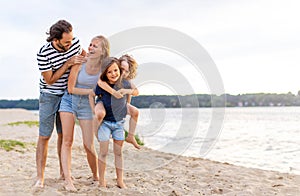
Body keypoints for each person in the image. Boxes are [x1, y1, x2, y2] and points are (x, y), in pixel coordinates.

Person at [35, 19, 85, 188]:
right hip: (49, 95)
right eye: (66, 42)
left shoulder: (75, 43)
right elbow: (49, 80)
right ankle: (39, 178)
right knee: (44, 136)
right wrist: (67, 64)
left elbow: (83, 55)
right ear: (56, 41)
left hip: (67, 95)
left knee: (63, 136)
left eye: (72, 39)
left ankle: (64, 174)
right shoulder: (43, 53)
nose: (71, 44)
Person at [59, 35, 110, 191]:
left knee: (88, 145)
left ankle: (95, 175)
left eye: (95, 46)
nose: (91, 48)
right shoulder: (81, 61)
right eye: (90, 44)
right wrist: (90, 91)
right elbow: (70, 88)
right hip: (69, 101)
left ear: (103, 51)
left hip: (87, 106)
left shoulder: (104, 68)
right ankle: (68, 180)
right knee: (67, 141)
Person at [89, 57, 136, 188]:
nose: (113, 74)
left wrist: (127, 97)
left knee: (118, 153)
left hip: (119, 125)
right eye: (109, 72)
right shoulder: (101, 86)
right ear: (105, 73)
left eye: (115, 70)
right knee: (103, 153)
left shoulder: (125, 83)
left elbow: (135, 91)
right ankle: (102, 181)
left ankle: (120, 180)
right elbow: (90, 95)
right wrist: (93, 109)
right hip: (105, 124)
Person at [93, 55, 140, 149]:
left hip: (118, 105)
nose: (124, 73)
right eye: (122, 69)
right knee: (100, 113)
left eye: (127, 71)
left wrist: (127, 92)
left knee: (135, 111)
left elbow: (135, 92)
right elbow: (99, 82)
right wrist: (114, 93)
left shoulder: (125, 80)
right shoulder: (109, 74)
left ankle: (130, 136)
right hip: (104, 101)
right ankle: (95, 131)